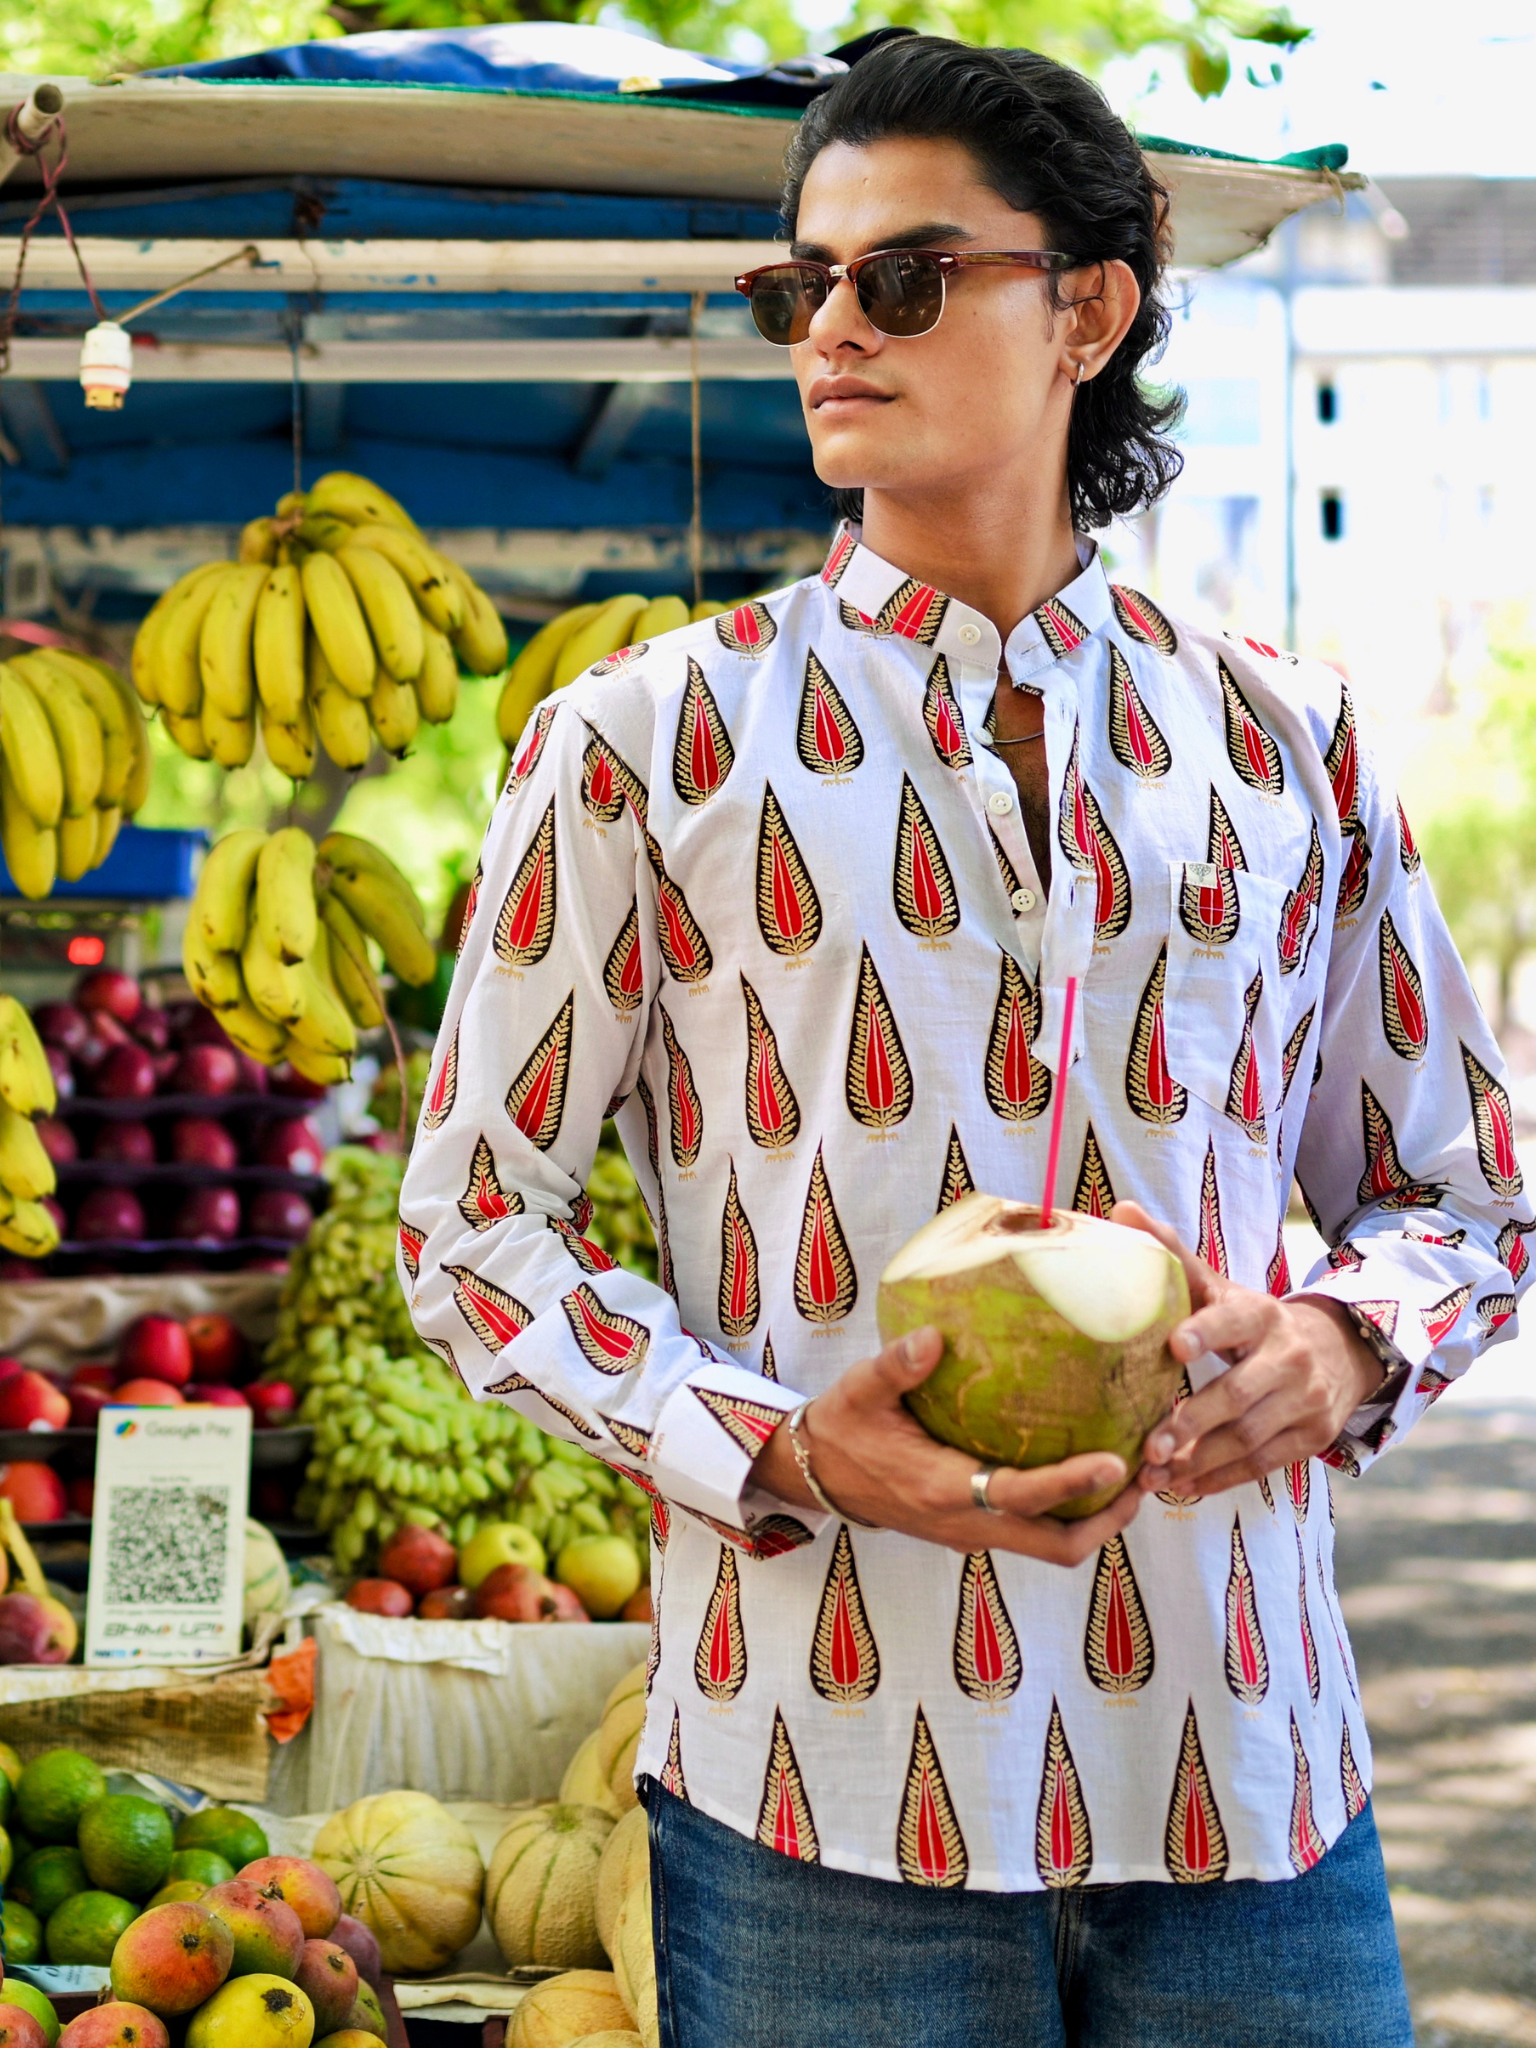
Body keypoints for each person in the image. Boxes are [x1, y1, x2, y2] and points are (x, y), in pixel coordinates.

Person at [399, 35, 1531, 2046]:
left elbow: (1468, 1191)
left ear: (1087, 305)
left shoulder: (1289, 739)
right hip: (815, 1777)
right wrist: (768, 1439)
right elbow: (473, 1227)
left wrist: (1346, 1338)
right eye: (801, 284)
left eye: (903, 277)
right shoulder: (643, 746)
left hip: (1244, 1762)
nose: (832, 326)